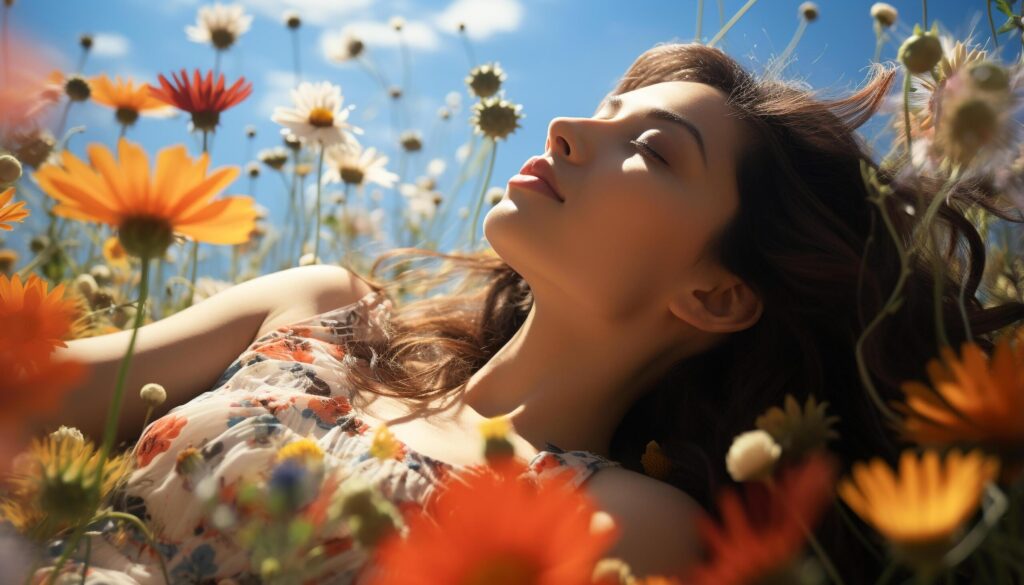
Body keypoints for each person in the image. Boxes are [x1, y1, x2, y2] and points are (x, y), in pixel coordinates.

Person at [28, 42, 1024, 584]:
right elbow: (29, 393)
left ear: (714, 294)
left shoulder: (626, 528)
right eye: (603, 103)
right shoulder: (323, 311)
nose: (568, 125)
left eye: (656, 148)